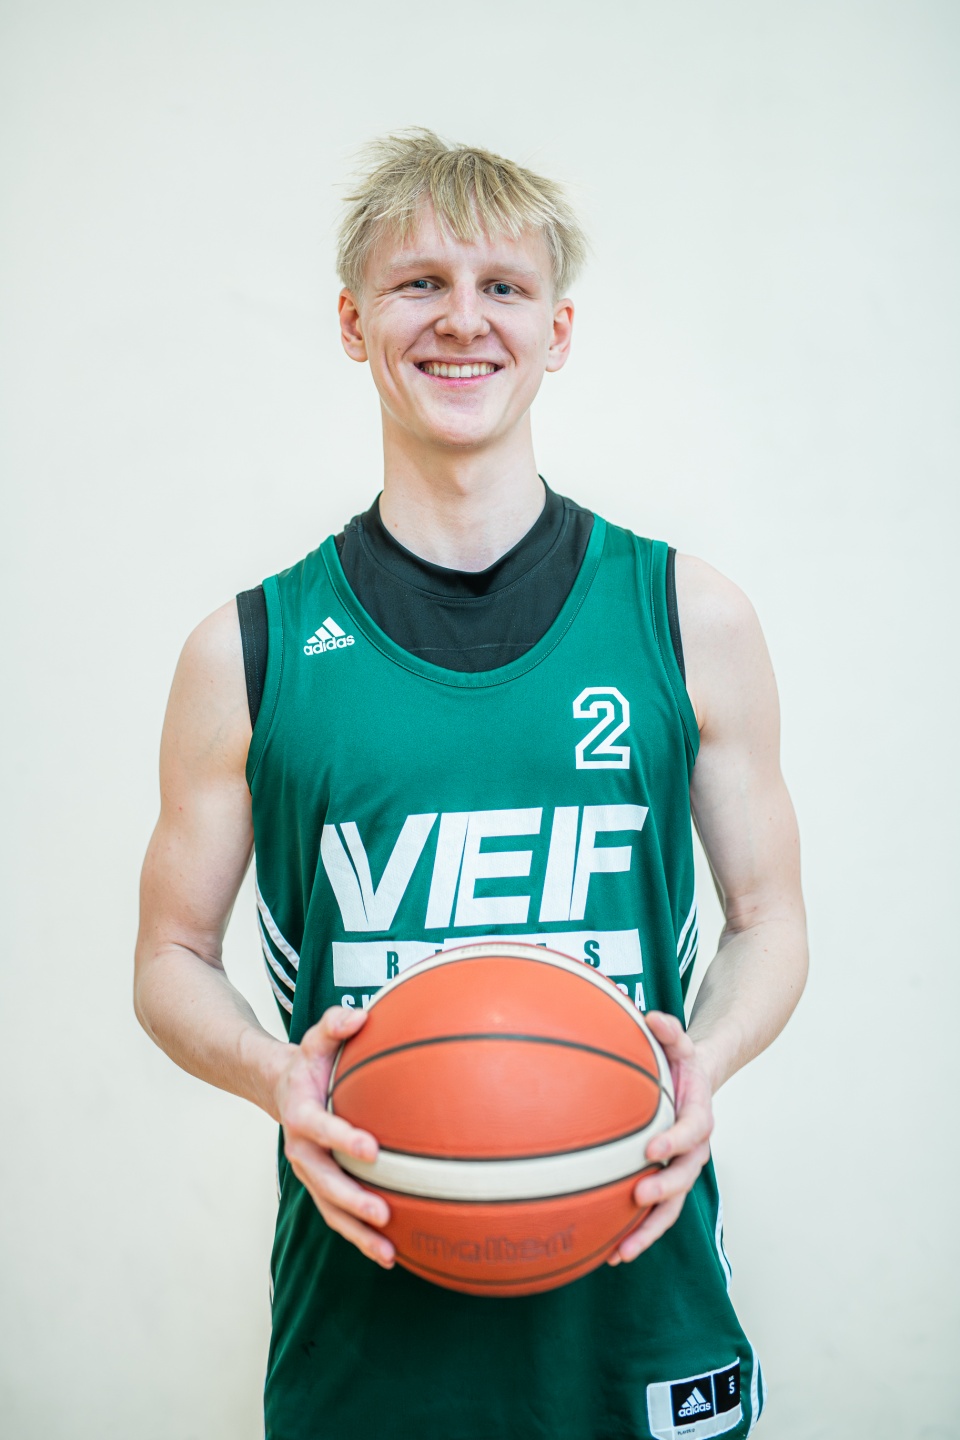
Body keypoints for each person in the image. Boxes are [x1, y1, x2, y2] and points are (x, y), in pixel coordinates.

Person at [134, 130, 808, 1440]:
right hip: (365, 1319)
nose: (462, 319)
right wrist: (275, 1075)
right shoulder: (249, 650)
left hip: (638, 1300)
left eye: (503, 286)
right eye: (418, 283)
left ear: (558, 331)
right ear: (353, 322)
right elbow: (168, 957)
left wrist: (705, 1065)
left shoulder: (688, 617)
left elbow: (772, 922)